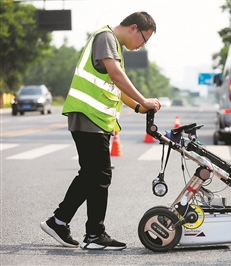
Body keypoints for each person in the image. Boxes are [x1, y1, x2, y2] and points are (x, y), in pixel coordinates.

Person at [40, 11, 160, 251]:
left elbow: (115, 86)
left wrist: (138, 106)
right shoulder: (106, 38)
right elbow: (116, 75)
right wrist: (145, 99)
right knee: (100, 175)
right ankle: (93, 233)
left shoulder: (114, 45)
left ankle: (60, 222)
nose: (142, 46)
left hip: (94, 120)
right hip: (88, 117)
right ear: (134, 28)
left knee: (91, 175)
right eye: (144, 39)